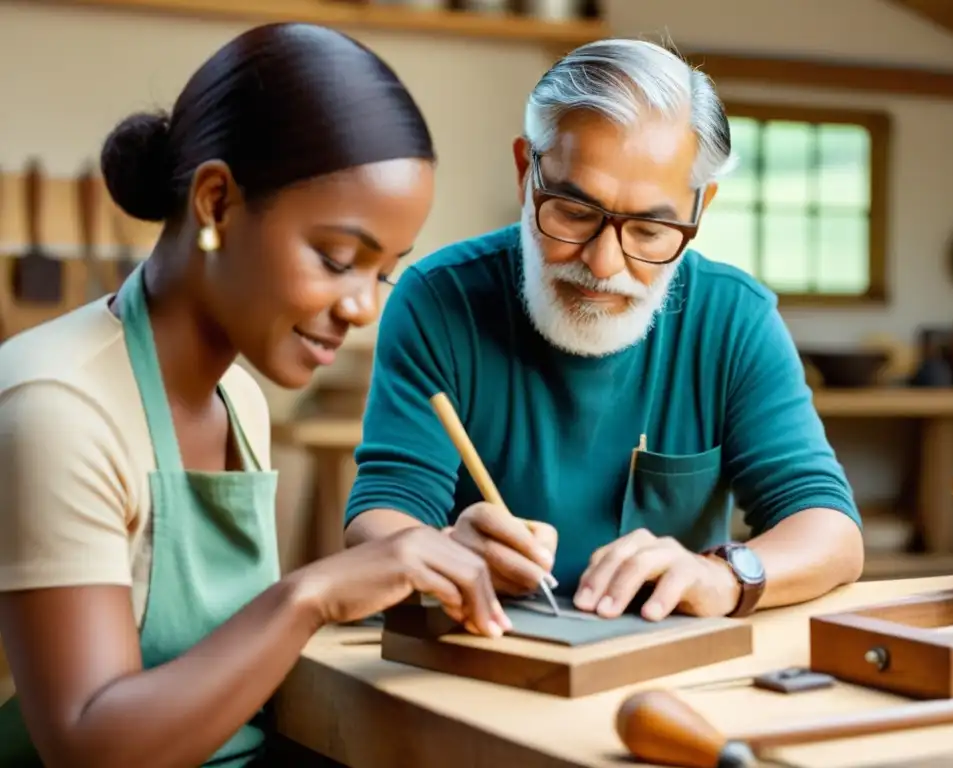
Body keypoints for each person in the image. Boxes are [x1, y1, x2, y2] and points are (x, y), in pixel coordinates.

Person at [0, 23, 511, 768]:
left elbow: (227, 677)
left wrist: (420, 563)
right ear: (215, 203)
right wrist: (310, 596)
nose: (364, 306)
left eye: (384, 272)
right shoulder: (56, 408)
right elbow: (90, 745)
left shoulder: (238, 395)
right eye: (338, 259)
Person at [344, 38, 865, 624]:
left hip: (665, 665)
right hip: (481, 648)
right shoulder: (439, 300)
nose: (602, 263)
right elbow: (379, 519)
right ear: (525, 172)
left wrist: (724, 575)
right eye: (573, 213)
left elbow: (831, 530)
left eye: (648, 231)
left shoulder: (735, 317)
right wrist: (440, 550)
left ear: (701, 207)